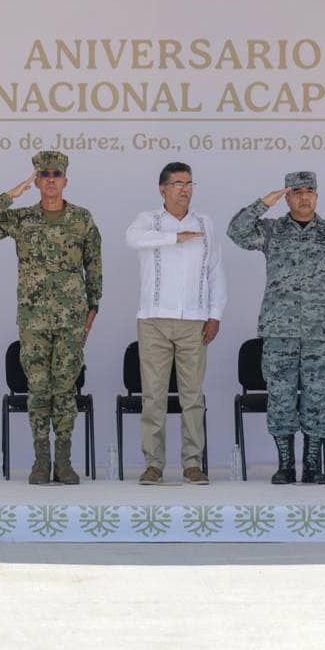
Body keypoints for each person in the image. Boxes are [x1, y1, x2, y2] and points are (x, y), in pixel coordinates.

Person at [0, 151, 101, 485]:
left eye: (55, 174)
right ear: (36, 181)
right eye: (43, 175)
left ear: (65, 180)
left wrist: (92, 309)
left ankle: (64, 461)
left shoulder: (82, 219)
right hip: (33, 319)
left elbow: (94, 266)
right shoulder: (23, 219)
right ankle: (41, 461)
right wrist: (10, 195)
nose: (50, 180)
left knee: (65, 388)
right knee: (38, 389)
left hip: (71, 318)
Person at [228, 171, 325, 484]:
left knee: (316, 398)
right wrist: (263, 203)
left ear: (317, 195)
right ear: (287, 197)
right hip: (279, 331)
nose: (303, 197)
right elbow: (236, 232)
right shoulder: (273, 231)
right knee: (281, 397)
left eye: (309, 191)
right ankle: (285, 465)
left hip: (320, 333)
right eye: (296, 192)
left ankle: (312, 465)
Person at [125, 162, 226, 485]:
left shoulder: (205, 223)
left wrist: (215, 313)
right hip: (154, 319)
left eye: (189, 183)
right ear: (163, 189)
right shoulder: (149, 221)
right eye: (178, 183)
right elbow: (132, 239)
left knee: (192, 396)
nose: (185, 189)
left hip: (193, 320)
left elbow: (214, 270)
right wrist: (175, 237)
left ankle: (192, 464)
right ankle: (153, 464)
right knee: (153, 396)